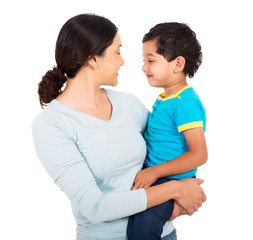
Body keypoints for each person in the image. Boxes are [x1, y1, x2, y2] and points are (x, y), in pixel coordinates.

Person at [32, 14, 206, 240]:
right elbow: (95, 207)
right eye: (118, 52)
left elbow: (172, 146)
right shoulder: (52, 125)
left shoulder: (128, 104)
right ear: (93, 59)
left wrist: (178, 201)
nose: (123, 62)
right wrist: (176, 190)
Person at [127, 22, 207, 240]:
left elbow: (199, 154)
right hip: (158, 176)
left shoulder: (185, 103)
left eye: (151, 60)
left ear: (178, 64)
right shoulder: (166, 99)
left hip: (167, 180)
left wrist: (154, 172)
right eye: (144, 60)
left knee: (141, 231)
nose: (144, 67)